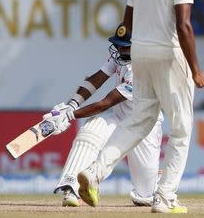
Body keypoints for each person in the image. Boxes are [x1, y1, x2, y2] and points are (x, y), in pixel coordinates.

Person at [76, 0, 204, 214]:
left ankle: (95, 172)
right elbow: (183, 24)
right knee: (181, 129)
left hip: (141, 56)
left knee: (139, 122)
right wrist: (196, 70)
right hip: (169, 55)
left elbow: (126, 25)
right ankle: (164, 197)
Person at [45, 23, 163, 207]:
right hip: (119, 116)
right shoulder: (120, 56)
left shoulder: (143, 70)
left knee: (145, 197)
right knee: (89, 133)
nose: (119, 50)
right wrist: (71, 105)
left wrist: (69, 116)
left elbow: (105, 103)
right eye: (118, 45)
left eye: (125, 46)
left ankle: (155, 181)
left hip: (143, 125)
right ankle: (71, 188)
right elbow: (97, 78)